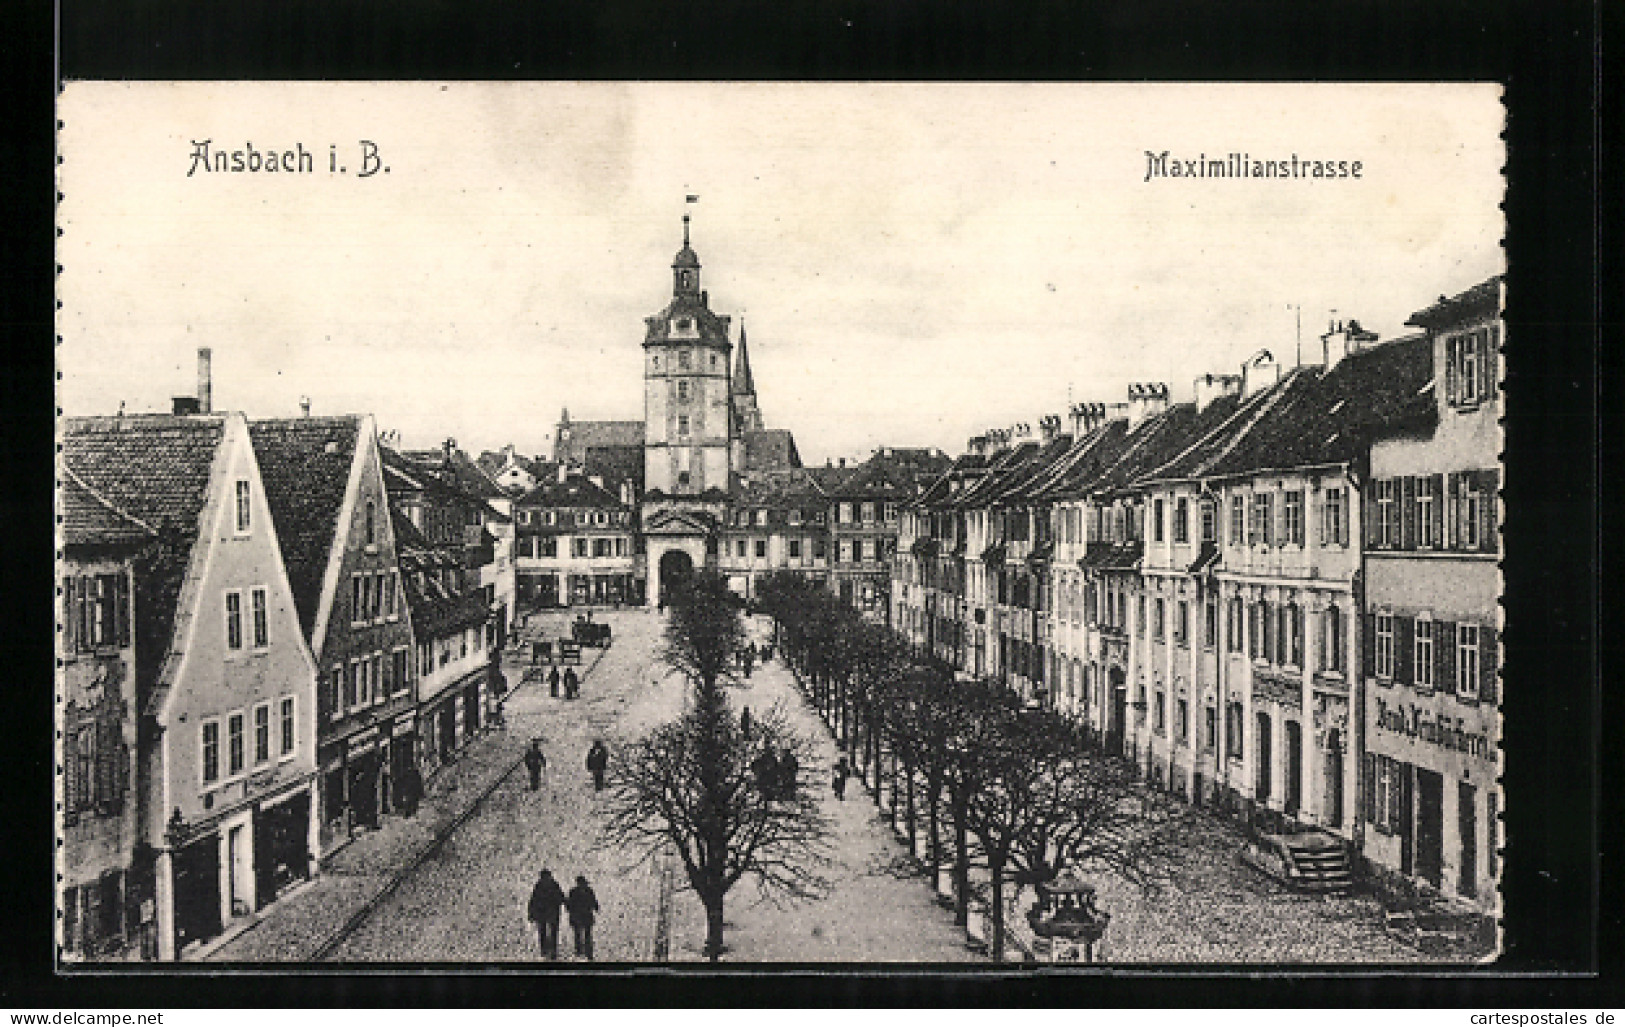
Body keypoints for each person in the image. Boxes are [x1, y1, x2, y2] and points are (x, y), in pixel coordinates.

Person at [527, 869, 566, 959]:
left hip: (546, 913)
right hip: (549, 913)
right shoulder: (551, 885)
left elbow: (533, 900)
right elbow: (561, 897)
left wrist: (531, 913)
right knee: (549, 932)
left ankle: (547, 950)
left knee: (547, 932)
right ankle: (550, 951)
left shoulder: (540, 886)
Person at [566, 875, 599, 959]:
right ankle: (579, 951)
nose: (583, 885)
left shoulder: (589, 891)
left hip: (586, 915)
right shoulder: (573, 892)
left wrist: (596, 907)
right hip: (577, 916)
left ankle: (588, 951)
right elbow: (569, 904)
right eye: (581, 883)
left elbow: (593, 901)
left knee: (587, 934)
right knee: (578, 934)